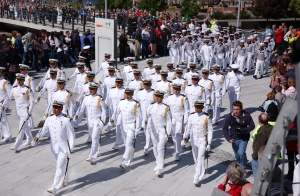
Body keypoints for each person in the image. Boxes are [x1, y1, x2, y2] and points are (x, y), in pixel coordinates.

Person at [31, 100, 75, 194]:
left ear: (61, 109)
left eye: (56, 108)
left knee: (59, 166)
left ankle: (54, 187)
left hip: (64, 148)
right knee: (61, 165)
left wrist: (70, 149)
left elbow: (71, 135)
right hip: (54, 147)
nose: (54, 110)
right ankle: (65, 178)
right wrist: (38, 137)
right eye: (53, 107)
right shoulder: (49, 119)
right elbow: (43, 130)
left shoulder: (67, 120)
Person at [74, 83, 106, 164]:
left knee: (94, 138)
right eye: (90, 89)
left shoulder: (100, 99)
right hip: (89, 121)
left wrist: (102, 122)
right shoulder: (86, 98)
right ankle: (98, 150)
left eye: (92, 89)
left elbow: (104, 111)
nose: (91, 91)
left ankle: (92, 156)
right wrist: (77, 115)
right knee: (94, 137)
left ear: (96, 90)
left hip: (97, 121)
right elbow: (82, 108)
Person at [182, 100, 212, 186]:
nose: (197, 109)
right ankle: (199, 170)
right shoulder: (192, 116)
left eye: (199, 107)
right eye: (196, 107)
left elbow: (210, 131)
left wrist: (209, 143)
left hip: (202, 140)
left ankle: (197, 176)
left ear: (202, 107)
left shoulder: (206, 117)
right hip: (194, 140)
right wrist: (184, 138)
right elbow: (188, 128)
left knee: (200, 157)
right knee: (195, 157)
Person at [111, 88, 141, 169]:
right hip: (123, 125)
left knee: (128, 143)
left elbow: (139, 118)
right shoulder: (121, 102)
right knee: (127, 144)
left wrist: (137, 129)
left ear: (132, 94)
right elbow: (117, 111)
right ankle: (131, 155)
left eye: (129, 94)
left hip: (131, 125)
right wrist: (113, 119)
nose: (127, 96)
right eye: (126, 94)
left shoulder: (136, 104)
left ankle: (124, 162)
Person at [4, 74, 34, 151]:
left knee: (21, 127)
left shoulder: (27, 89)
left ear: (24, 80)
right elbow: (9, 98)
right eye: (18, 80)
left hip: (25, 111)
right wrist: (4, 106)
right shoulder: (14, 89)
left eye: (21, 80)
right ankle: (30, 138)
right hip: (18, 111)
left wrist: (29, 112)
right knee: (25, 126)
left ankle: (17, 145)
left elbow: (32, 101)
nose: (19, 81)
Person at [222, 101, 255, 169]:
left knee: (241, 153)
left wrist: (243, 130)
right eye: (234, 109)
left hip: (244, 138)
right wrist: (228, 138)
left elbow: (252, 125)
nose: (235, 111)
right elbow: (225, 128)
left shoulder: (246, 115)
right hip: (234, 138)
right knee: (237, 155)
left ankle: (243, 167)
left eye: (237, 109)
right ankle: (241, 164)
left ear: (241, 109)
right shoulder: (229, 116)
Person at [146, 90, 171, 176]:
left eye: (159, 97)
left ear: (162, 98)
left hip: (162, 130)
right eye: (156, 96)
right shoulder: (151, 106)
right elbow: (147, 116)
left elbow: (169, 122)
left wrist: (168, 134)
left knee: (160, 148)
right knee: (155, 147)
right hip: (153, 130)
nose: (157, 98)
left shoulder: (166, 107)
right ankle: (158, 163)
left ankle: (160, 167)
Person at [166, 84, 189, 161]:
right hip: (172, 119)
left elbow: (187, 110)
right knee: (173, 136)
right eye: (174, 89)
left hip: (180, 119)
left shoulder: (183, 98)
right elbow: (167, 109)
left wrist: (185, 120)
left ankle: (178, 151)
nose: (176, 91)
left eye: (177, 89)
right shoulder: (169, 98)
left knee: (178, 135)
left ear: (180, 89)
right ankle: (176, 149)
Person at [105, 77, 125, 150]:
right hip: (114, 111)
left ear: (122, 83)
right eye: (117, 82)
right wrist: (105, 105)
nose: (118, 84)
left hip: (122, 112)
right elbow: (108, 98)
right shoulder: (112, 90)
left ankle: (117, 143)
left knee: (119, 127)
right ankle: (121, 139)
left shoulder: (125, 90)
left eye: (120, 83)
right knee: (118, 126)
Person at [136, 79, 155, 155]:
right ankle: (149, 143)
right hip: (143, 115)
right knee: (145, 130)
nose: (146, 86)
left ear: (150, 85)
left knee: (149, 130)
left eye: (148, 84)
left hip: (151, 116)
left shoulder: (154, 93)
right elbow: (137, 104)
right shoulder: (140, 93)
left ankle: (147, 146)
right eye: (145, 84)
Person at [0, 67, 12, 143]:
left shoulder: (5, 82)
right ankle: (7, 135)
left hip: (2, 104)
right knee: (2, 120)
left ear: (3, 73)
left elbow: (10, 94)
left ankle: (7, 135)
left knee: (2, 120)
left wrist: (5, 104)